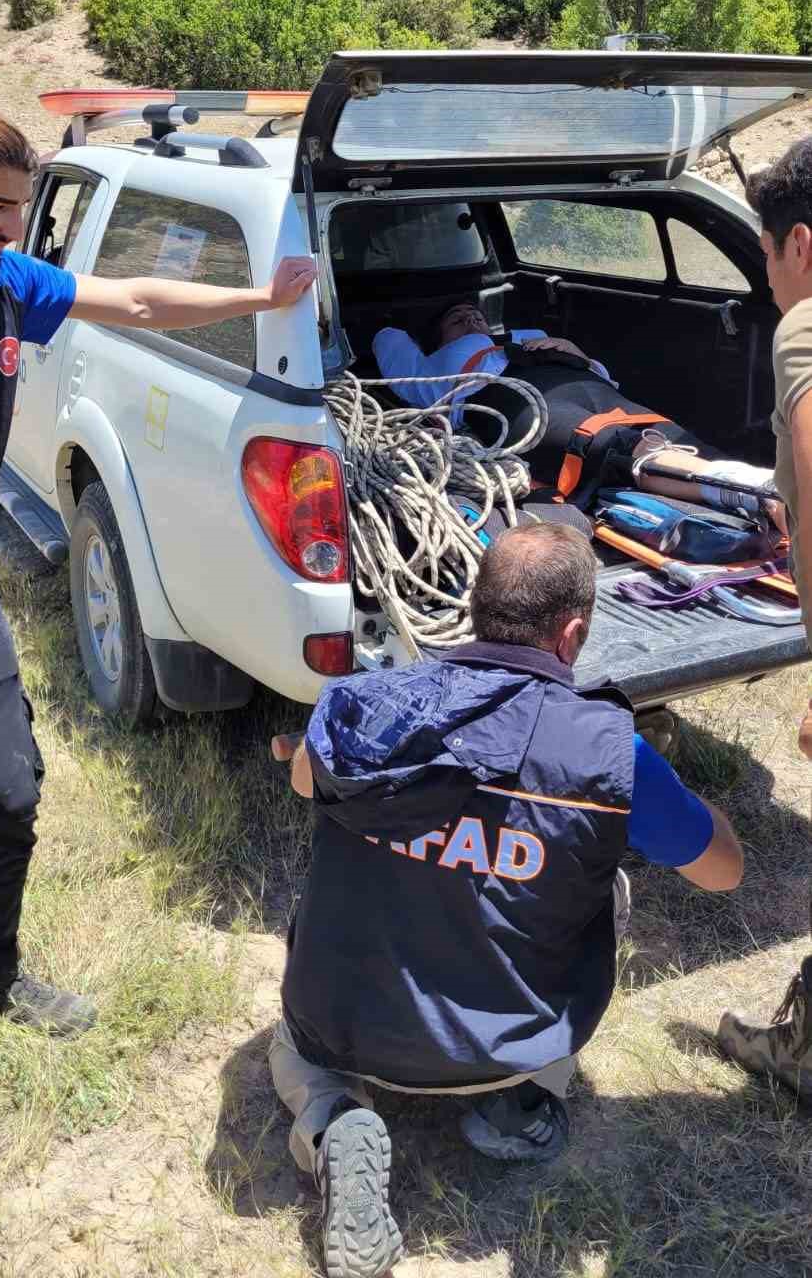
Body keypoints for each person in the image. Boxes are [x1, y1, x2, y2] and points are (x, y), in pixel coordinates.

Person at [0, 94, 316, 1133]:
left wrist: (258, 294)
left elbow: (130, 298)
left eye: (22, 207)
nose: (15, 226)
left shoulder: (4, 281)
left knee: (8, 791)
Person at [269, 524, 743, 1278]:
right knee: (605, 886)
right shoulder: (614, 754)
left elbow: (301, 780)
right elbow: (724, 872)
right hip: (507, 1045)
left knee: (296, 1057)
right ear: (575, 632)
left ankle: (333, 1123)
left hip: (343, 1030)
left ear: (472, 606)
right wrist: (683, 808)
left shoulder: (361, 705)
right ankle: (515, 1102)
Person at [718, 139, 812, 1102]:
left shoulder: (806, 327)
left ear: (804, 246)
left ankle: (801, 1054)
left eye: (767, 253)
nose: (768, 276)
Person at [374, 301, 779, 516]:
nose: (470, 318)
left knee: (665, 431)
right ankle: (756, 493)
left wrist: (580, 355)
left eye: (475, 314)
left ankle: (760, 486)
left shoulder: (528, 335)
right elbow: (385, 339)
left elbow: (610, 380)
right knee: (610, 445)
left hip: (581, 379)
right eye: (456, 320)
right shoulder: (431, 374)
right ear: (438, 341)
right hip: (509, 398)